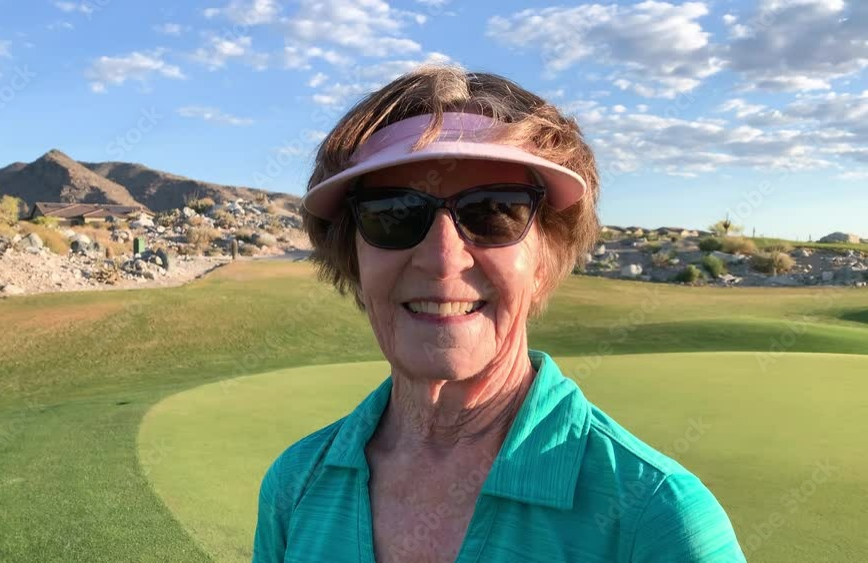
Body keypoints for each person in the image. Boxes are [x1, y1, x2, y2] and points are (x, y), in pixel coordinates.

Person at [251, 66, 745, 562]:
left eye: (493, 211)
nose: (444, 259)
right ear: (354, 257)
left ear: (546, 257)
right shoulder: (295, 485)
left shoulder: (659, 515)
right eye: (393, 212)